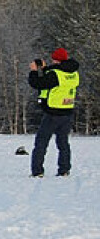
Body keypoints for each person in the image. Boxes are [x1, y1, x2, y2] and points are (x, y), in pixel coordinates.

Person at [29, 48, 80, 178]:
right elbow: (56, 75)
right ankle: (64, 170)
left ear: (56, 60)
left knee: (41, 142)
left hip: (53, 113)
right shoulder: (73, 74)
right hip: (67, 111)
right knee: (63, 143)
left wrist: (34, 71)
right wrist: (45, 68)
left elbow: (38, 83)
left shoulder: (56, 74)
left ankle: (37, 171)